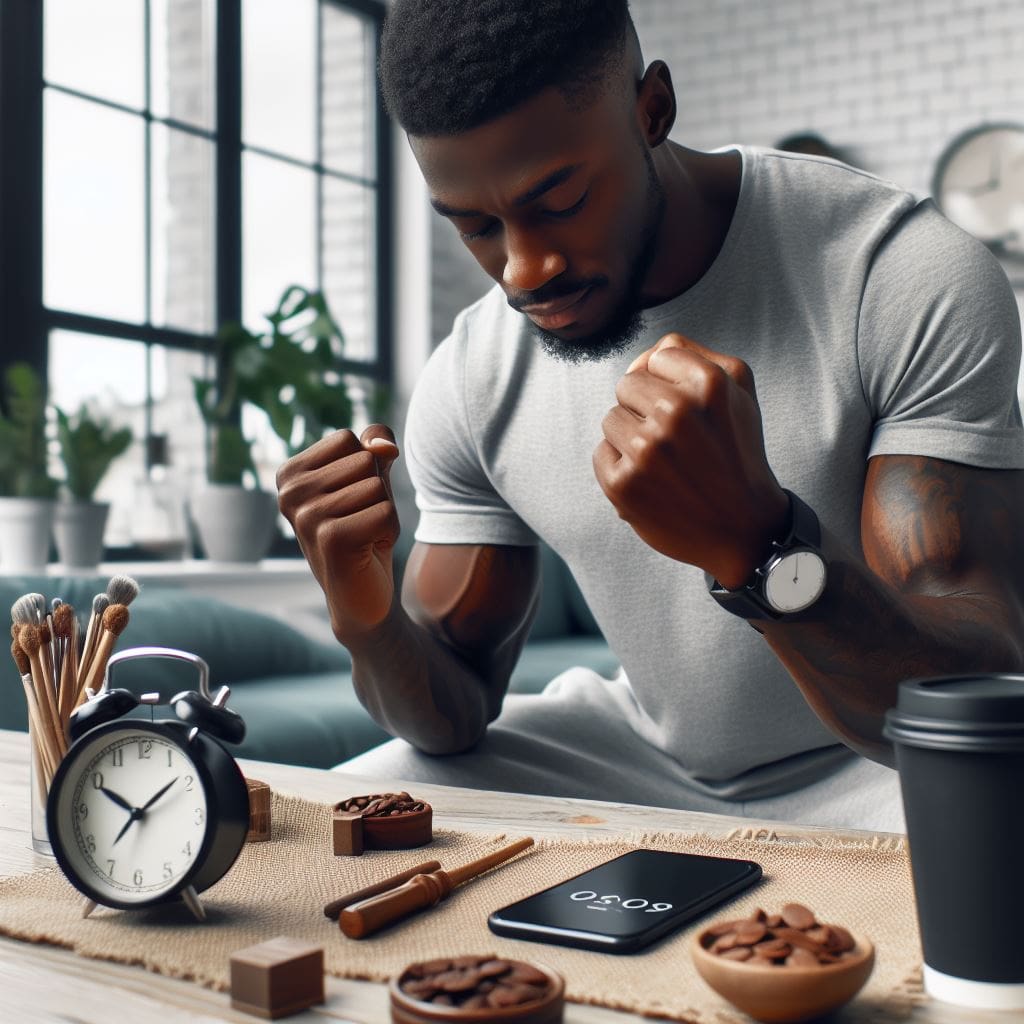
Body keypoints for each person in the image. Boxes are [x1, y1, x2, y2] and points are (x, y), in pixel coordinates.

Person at [277, 0, 1024, 831]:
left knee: (996, 817)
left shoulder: (897, 275)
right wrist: (366, 619)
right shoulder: (471, 374)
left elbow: (974, 699)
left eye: (559, 200)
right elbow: (451, 716)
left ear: (653, 110)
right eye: (477, 226)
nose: (526, 269)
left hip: (875, 767)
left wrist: (759, 542)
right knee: (354, 806)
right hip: (641, 760)